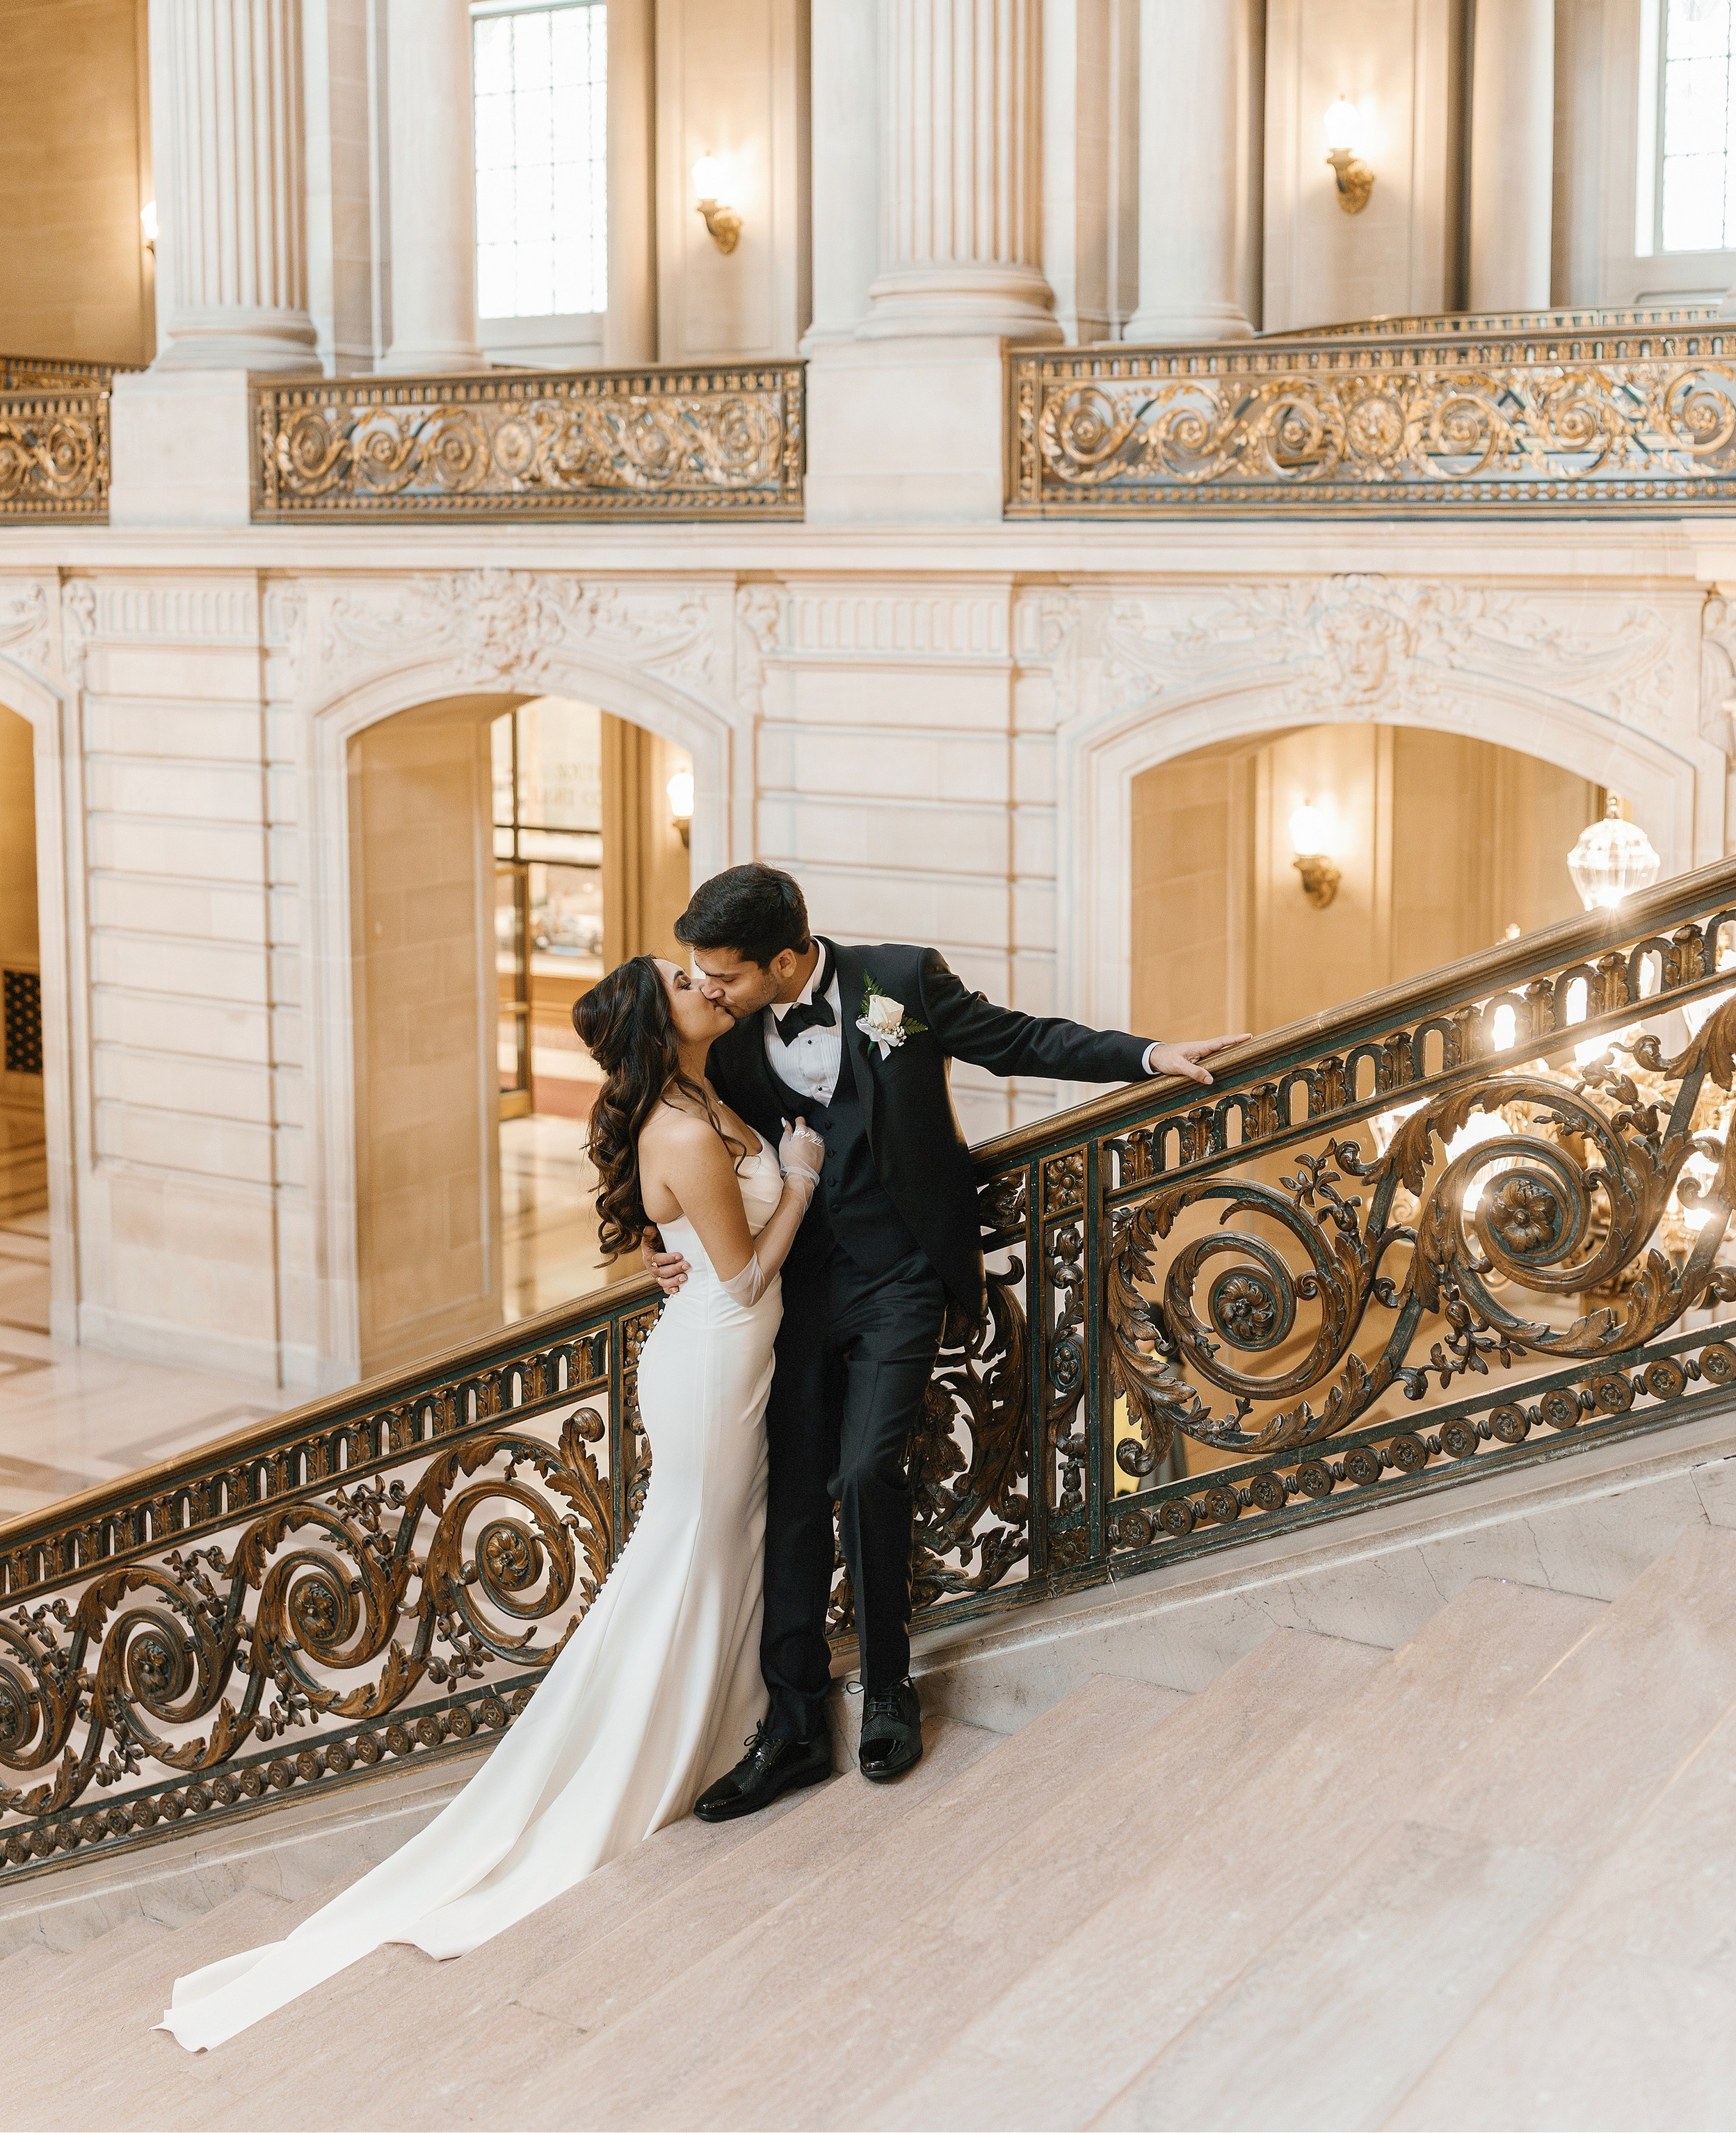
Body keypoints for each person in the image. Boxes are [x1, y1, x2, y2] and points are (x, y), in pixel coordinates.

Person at [156, 954, 824, 2054]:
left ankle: (726, 1723)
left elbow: (668, 1244)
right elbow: (747, 1276)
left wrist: (663, 1252)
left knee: (715, 1551)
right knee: (691, 1553)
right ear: (664, 1024)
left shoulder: (699, 1092)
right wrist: (796, 1176)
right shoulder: (681, 1126)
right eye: (680, 979)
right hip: (715, 1358)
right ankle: (646, 1757)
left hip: (726, 1352)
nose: (701, 981)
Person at [656, 862, 1244, 1814]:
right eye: (698, 973)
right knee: (795, 1497)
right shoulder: (723, 1041)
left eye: (722, 973)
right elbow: (669, 1129)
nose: (709, 989)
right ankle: (795, 1728)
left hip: (898, 1277)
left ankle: (888, 1685)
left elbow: (1014, 1040)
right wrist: (659, 1238)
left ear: (785, 958)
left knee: (865, 1471)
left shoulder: (900, 979)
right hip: (794, 1291)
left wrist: (1147, 1054)